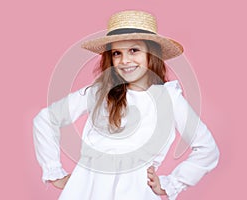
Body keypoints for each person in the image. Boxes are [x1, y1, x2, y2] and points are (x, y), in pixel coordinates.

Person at [33, 10, 220, 200]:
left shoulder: (168, 98)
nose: (125, 61)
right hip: (86, 191)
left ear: (151, 53)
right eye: (117, 53)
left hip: (135, 192)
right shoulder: (100, 92)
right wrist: (53, 172)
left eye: (134, 50)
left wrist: (169, 184)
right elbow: (46, 119)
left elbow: (207, 148)